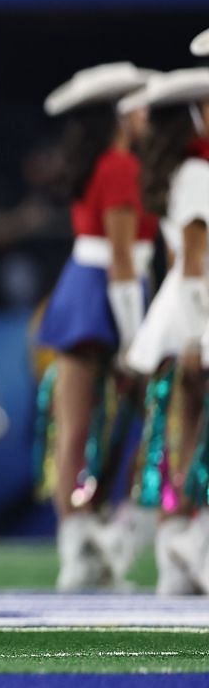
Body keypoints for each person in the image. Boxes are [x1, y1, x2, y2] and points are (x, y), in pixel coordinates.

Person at [36, 63, 155, 590]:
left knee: (76, 428)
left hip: (86, 287)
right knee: (135, 418)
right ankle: (101, 536)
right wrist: (135, 337)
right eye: (138, 105)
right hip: (110, 290)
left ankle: (79, 542)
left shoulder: (100, 164)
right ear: (121, 114)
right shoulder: (120, 166)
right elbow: (123, 261)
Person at [120, 69, 209, 594]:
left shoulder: (182, 169)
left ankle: (176, 554)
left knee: (180, 432)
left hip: (179, 309)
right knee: (193, 435)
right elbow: (195, 261)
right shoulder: (197, 171)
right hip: (194, 314)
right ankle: (187, 546)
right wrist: (197, 336)